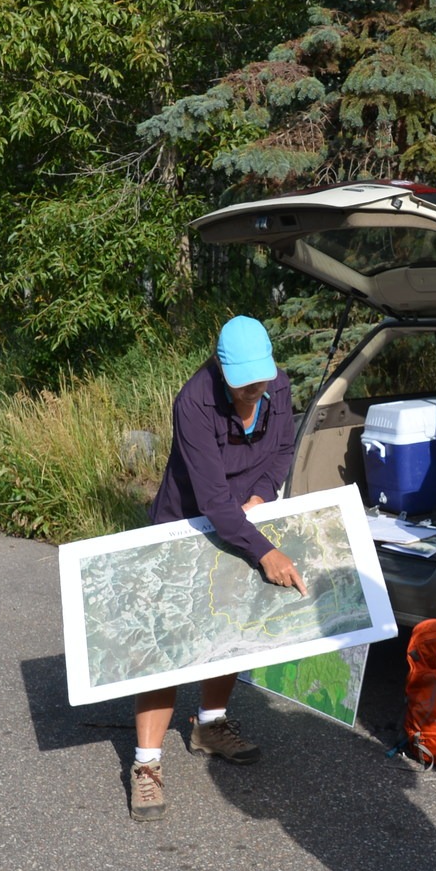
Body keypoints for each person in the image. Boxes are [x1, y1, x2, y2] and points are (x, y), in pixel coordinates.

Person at [129, 314, 307, 821]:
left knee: (228, 624)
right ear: (222, 370)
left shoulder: (279, 385)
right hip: (187, 522)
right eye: (244, 386)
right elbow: (210, 497)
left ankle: (210, 726)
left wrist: (262, 495)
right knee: (171, 644)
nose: (255, 394)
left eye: (261, 384)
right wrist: (264, 551)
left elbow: (284, 452)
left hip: (245, 517)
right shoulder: (193, 401)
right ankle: (146, 765)